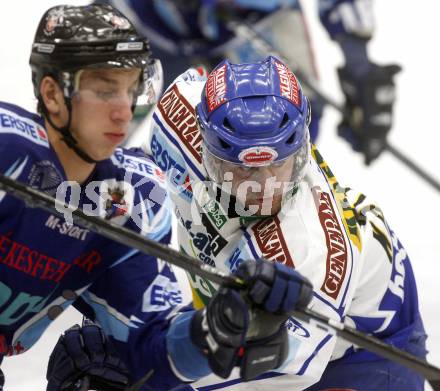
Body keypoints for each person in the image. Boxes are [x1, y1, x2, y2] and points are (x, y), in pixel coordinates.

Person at [0, 5, 313, 391]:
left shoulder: (131, 200)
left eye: (132, 88)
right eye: (104, 89)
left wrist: (222, 325)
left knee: (101, 372)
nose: (123, 111)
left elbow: (149, 350)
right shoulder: (7, 149)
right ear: (52, 93)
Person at [141, 57, 424, 389]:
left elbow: (258, 375)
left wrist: (142, 364)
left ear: (300, 149)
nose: (264, 186)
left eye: (278, 164)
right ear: (207, 150)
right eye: (243, 168)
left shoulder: (308, 250)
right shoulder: (177, 118)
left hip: (363, 351)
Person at [95, 0, 401, 164]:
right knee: (87, 116)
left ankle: (246, 239)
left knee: (287, 129)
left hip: (255, 14)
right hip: (148, 14)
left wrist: (357, 57)